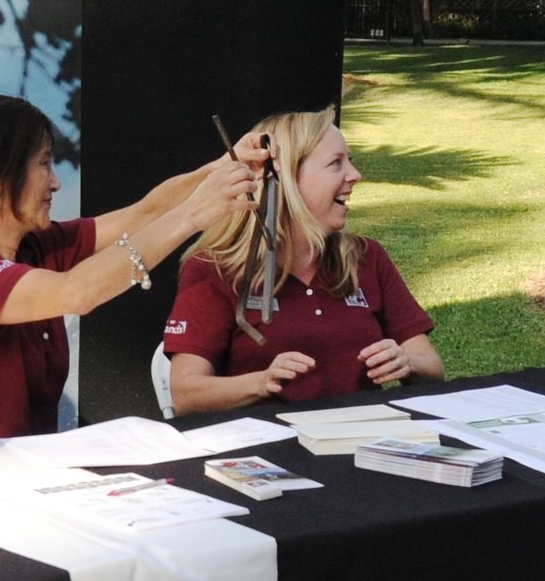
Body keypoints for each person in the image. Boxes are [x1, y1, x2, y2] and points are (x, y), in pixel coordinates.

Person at [0, 93, 259, 450]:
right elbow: (77, 292)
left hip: (15, 474)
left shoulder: (36, 245)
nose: (55, 182)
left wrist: (221, 169)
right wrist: (193, 215)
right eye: (44, 163)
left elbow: (144, 214)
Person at [162, 106, 443, 411]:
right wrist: (261, 383)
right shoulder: (215, 269)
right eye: (336, 163)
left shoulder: (366, 257)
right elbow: (186, 395)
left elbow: (433, 369)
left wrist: (407, 363)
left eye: (350, 161)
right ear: (285, 178)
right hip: (268, 439)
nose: (355, 175)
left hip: (363, 434)